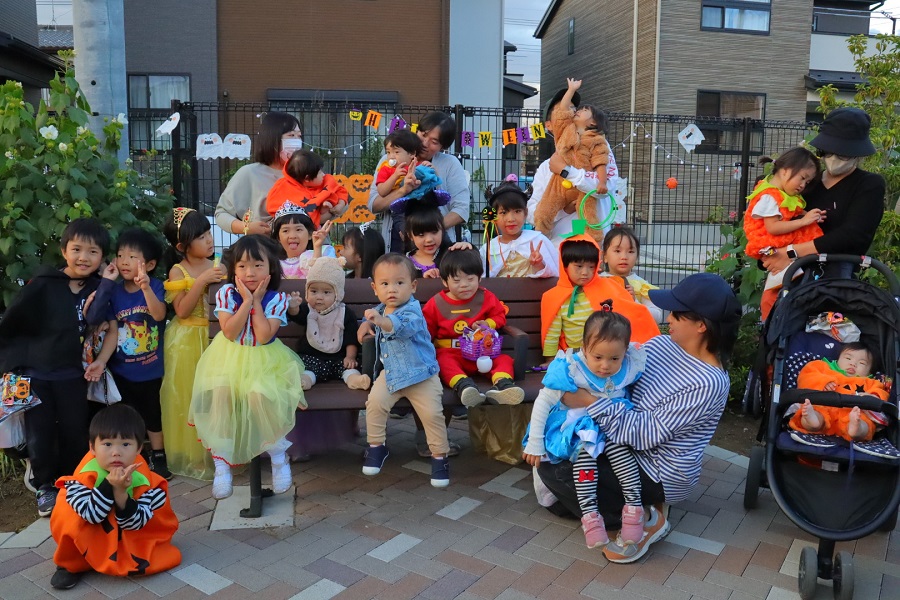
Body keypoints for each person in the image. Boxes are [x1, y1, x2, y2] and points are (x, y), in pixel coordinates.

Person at [537, 272, 741, 563]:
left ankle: (646, 516)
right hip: (621, 442)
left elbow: (645, 434)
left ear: (701, 325)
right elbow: (619, 378)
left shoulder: (708, 382)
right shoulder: (663, 345)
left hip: (658, 469)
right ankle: (629, 504)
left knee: (556, 473)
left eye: (676, 314)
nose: (667, 318)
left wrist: (588, 401)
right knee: (553, 454)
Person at [0, 218, 110, 517]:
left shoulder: (98, 288)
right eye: (77, 249)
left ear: (102, 257)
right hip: (37, 374)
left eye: (93, 252)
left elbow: (106, 326)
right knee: (40, 431)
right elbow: (14, 324)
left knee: (76, 429)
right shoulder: (43, 284)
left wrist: (106, 283)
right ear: (64, 251)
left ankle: (73, 480)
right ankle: (45, 485)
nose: (83, 257)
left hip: (74, 375)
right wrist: (12, 365)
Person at [188, 235, 305, 500]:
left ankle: (278, 458)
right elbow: (230, 332)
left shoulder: (276, 299)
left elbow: (263, 336)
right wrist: (247, 302)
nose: (249, 273)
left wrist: (258, 303)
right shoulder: (227, 294)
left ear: (271, 267)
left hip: (265, 360)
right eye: (242, 266)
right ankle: (222, 465)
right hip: (229, 357)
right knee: (221, 395)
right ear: (233, 270)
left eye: (257, 265)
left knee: (257, 396)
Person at [523, 309, 646, 549]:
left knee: (621, 453)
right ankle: (590, 516)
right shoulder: (571, 368)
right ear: (584, 347)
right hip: (578, 426)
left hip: (612, 421)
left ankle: (634, 508)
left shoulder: (631, 364)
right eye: (597, 357)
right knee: (584, 458)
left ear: (625, 352)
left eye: (614, 359)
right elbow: (543, 401)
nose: (605, 366)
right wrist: (535, 442)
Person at [761, 108, 886, 315]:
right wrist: (771, 255)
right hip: (788, 277)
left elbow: (853, 235)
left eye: (842, 153)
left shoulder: (869, 184)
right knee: (781, 326)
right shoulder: (807, 182)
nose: (834, 158)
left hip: (835, 282)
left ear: (857, 153)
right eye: (827, 151)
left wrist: (791, 252)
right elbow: (776, 218)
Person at [49, 404, 180, 590]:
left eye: (126, 444)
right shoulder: (78, 481)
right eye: (107, 444)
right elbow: (91, 515)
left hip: (130, 539)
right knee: (65, 505)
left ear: (139, 448)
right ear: (92, 447)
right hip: (90, 536)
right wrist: (108, 485)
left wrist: (121, 494)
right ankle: (72, 563)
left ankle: (122, 557)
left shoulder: (151, 485)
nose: (116, 452)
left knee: (153, 512)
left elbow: (135, 523)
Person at [84, 228, 172, 479]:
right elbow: (112, 331)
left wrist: (146, 289)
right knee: (126, 416)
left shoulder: (156, 286)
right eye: (121, 255)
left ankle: (158, 455)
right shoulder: (114, 292)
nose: (124, 261)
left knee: (153, 415)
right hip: (122, 370)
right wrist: (102, 361)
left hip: (150, 370)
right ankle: (133, 456)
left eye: (132, 257)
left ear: (150, 265)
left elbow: (159, 315)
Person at [358, 254, 451, 488]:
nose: (392, 289)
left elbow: (398, 327)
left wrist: (379, 321)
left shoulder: (413, 312)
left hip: (421, 375)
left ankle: (439, 457)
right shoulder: (381, 308)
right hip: (391, 374)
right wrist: (366, 323)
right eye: (385, 284)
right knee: (375, 404)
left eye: (400, 283)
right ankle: (376, 447)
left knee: (432, 414)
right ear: (375, 288)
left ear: (413, 286)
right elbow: (377, 316)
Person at [160, 208, 225, 481]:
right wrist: (201, 282)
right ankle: (195, 457)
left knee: (217, 396)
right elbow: (182, 311)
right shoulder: (178, 271)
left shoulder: (219, 264)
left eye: (208, 232)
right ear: (181, 247)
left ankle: (221, 454)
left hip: (216, 337)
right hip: (186, 341)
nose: (209, 239)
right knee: (189, 396)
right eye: (200, 236)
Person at [422, 249, 524, 407]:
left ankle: (503, 385)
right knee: (443, 362)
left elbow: (500, 317)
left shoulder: (486, 297)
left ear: (479, 277)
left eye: (470, 279)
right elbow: (425, 332)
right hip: (451, 352)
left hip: (484, 352)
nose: (464, 285)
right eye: (456, 281)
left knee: (504, 360)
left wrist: (488, 324)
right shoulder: (436, 303)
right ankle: (464, 387)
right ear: (445, 281)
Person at [541, 233, 659, 365]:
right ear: (565, 265)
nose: (585, 272)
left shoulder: (608, 287)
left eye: (591, 267)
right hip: (576, 356)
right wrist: (550, 360)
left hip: (607, 355)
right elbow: (552, 333)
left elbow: (631, 314)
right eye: (579, 266)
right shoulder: (556, 297)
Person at [528, 88, 623, 246]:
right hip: (558, 250)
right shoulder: (547, 167)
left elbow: (606, 187)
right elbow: (532, 213)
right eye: (564, 109)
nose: (572, 112)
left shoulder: (598, 144)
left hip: (593, 248)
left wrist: (566, 171)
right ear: (549, 125)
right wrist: (563, 211)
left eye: (573, 108)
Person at [367, 112, 471, 252]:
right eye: (423, 134)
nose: (424, 143)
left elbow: (461, 210)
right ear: (417, 130)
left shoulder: (450, 163)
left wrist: (426, 231)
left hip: (435, 248)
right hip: (397, 242)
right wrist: (403, 190)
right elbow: (374, 204)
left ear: (443, 147)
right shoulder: (390, 161)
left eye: (434, 142)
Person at [742, 148, 823, 315]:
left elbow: (791, 210)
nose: (803, 185)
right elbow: (773, 227)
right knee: (777, 290)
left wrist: (809, 215)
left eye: (807, 182)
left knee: (780, 288)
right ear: (785, 170)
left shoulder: (780, 193)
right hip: (769, 243)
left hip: (776, 244)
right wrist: (803, 221)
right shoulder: (769, 196)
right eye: (802, 178)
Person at [287, 256, 370, 391]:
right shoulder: (308, 310)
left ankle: (354, 379)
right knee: (308, 369)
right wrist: (293, 307)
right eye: (313, 291)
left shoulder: (345, 313)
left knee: (349, 367)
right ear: (307, 291)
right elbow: (297, 316)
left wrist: (350, 357)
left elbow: (351, 339)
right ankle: (305, 380)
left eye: (326, 292)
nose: (319, 297)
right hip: (312, 357)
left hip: (339, 358)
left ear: (337, 294)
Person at [215, 111, 303, 236]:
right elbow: (222, 213)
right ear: (272, 138)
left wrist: (331, 209)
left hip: (310, 246)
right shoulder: (249, 173)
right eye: (291, 135)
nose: (297, 141)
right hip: (265, 246)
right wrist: (246, 227)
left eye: (299, 136)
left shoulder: (306, 173)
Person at [789, 341, 889, 443]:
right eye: (848, 358)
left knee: (865, 422)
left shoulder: (870, 382)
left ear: (870, 371)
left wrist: (872, 396)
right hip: (824, 406)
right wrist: (822, 382)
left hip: (851, 412)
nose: (853, 364)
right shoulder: (823, 367)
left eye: (862, 363)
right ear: (838, 359)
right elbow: (806, 377)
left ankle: (856, 428)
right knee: (815, 410)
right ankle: (813, 420)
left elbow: (881, 393)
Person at [480, 178, 557, 278]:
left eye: (517, 211)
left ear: (525, 213)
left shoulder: (538, 241)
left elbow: (554, 276)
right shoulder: (489, 249)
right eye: (503, 212)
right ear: (494, 216)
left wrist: (539, 265)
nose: (511, 219)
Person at [265, 149, 349, 228]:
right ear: (307, 178)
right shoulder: (282, 188)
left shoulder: (324, 180)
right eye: (319, 172)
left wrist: (340, 204)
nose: (323, 175)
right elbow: (275, 209)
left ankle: (324, 206)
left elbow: (339, 189)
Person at [599, 228, 663, 323]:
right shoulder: (597, 281)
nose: (624, 257)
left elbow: (657, 317)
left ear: (637, 257)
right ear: (604, 256)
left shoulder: (641, 286)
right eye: (617, 251)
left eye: (631, 252)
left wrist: (635, 302)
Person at [405, 199, 472, 278]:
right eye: (421, 235)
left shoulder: (451, 254)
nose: (429, 239)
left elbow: (472, 269)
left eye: (434, 232)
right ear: (410, 236)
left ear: (442, 230)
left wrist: (466, 251)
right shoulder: (404, 263)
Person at [270, 202, 336, 280]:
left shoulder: (324, 253)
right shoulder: (272, 263)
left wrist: (317, 249)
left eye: (298, 229)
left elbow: (323, 281)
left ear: (310, 234)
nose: (292, 236)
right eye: (285, 231)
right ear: (278, 237)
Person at [374, 129, 441, 201]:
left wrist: (431, 169)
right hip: (396, 203)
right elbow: (382, 192)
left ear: (411, 154)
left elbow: (432, 180)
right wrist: (395, 176)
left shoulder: (417, 166)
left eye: (396, 152)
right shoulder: (385, 169)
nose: (391, 156)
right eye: (388, 152)